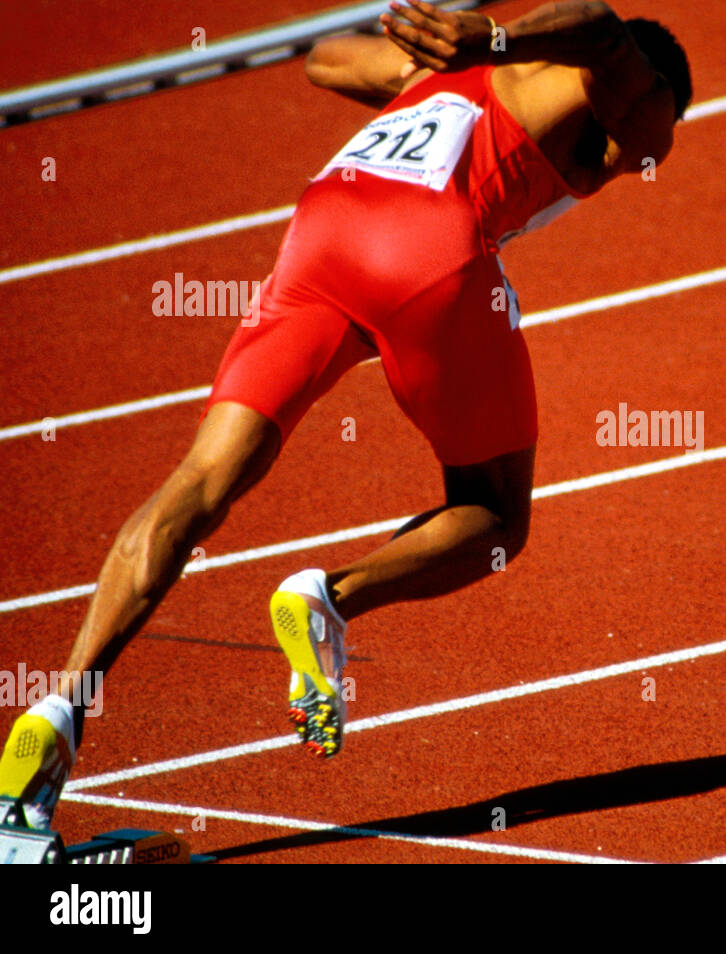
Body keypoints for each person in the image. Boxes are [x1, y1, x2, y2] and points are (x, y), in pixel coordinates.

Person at [0, 0, 691, 830]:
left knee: (201, 481)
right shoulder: (633, 92)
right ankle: (329, 598)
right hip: (428, 249)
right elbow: (607, 28)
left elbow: (323, 59)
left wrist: (425, 62)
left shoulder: (447, 73)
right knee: (498, 516)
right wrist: (494, 39)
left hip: (323, 227)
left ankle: (57, 714)